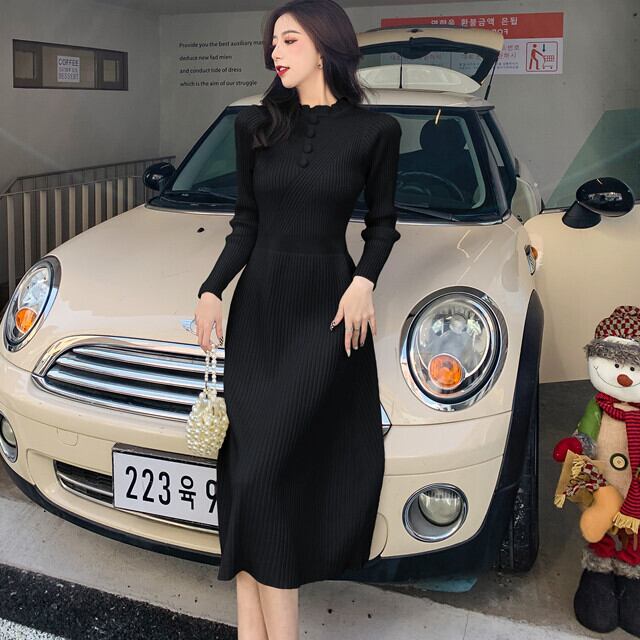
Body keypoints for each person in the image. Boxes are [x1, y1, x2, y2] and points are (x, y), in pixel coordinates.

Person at [193, 1, 402, 637]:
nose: (275, 52)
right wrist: (211, 289)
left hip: (326, 315)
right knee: (251, 477)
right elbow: (246, 224)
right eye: (273, 42)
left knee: (265, 477)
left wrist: (364, 281)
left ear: (325, 44)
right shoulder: (255, 124)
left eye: (288, 39)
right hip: (259, 315)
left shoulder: (376, 131)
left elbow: (383, 226)